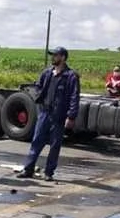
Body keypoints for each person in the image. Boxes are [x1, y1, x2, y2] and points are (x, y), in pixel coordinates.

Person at [16, 46, 80, 182]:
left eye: (55, 55)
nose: (53, 58)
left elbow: (75, 96)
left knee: (55, 144)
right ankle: (28, 169)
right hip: (44, 112)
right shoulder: (47, 73)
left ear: (62, 57)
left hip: (59, 115)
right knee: (36, 141)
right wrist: (39, 98)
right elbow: (38, 87)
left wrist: (71, 116)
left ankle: (49, 172)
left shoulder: (71, 76)